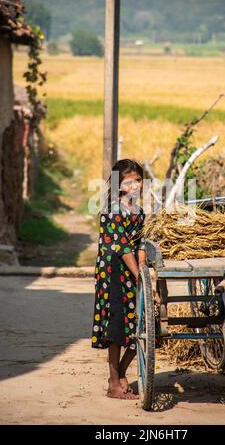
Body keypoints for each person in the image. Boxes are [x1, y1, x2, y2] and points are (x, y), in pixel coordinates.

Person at [91, 159, 146, 400]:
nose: (134, 185)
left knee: (142, 324)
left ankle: (121, 372)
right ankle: (114, 384)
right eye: (128, 182)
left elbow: (141, 244)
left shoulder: (140, 212)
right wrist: (139, 275)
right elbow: (122, 247)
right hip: (113, 271)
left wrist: (143, 269)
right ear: (119, 185)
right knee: (116, 327)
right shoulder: (112, 210)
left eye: (137, 180)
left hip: (132, 269)